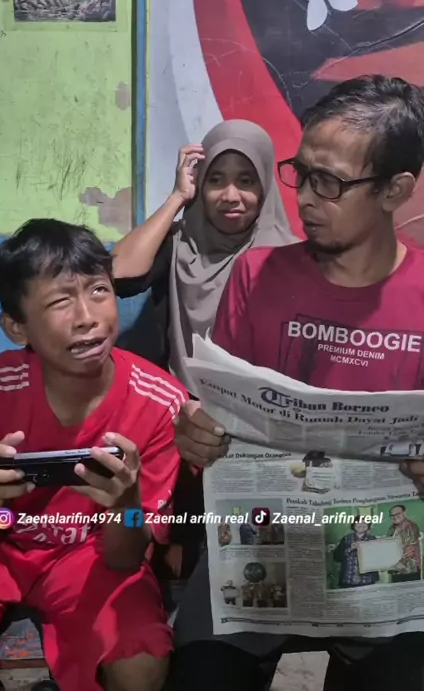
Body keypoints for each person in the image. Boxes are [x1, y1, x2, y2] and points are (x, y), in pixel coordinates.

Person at [170, 75, 424, 691]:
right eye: (301, 173)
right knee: (201, 671)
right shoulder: (256, 274)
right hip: (260, 538)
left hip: (380, 550)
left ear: (395, 190)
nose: (307, 197)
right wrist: (196, 430)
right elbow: (217, 408)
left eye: (330, 182)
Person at [0, 219, 187, 691]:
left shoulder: (160, 401)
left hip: (88, 557)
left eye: (99, 290)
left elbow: (127, 557)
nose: (86, 317)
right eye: (59, 301)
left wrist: (126, 504)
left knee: (140, 661)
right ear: (17, 327)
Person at [112, 119, 295, 388]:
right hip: (181, 402)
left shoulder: (292, 259)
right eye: (215, 180)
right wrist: (177, 197)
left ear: (264, 186)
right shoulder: (179, 244)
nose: (230, 196)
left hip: (262, 403)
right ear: (200, 185)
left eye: (246, 181)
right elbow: (119, 275)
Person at [333, 518, 379, 589]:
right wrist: (350, 548)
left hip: (368, 581)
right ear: (354, 525)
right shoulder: (346, 539)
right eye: (358, 523)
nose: (361, 525)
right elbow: (337, 557)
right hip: (348, 581)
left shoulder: (373, 540)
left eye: (364, 523)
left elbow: (378, 559)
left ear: (368, 526)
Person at [387, 504, 421, 582]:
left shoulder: (410, 526)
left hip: (409, 569)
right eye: (392, 515)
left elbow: (411, 547)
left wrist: (402, 562)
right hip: (395, 569)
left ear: (404, 513)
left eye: (397, 514)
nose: (394, 517)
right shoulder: (391, 528)